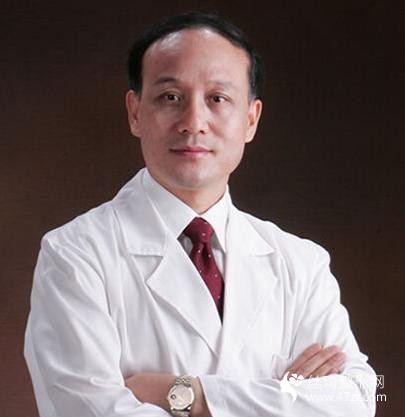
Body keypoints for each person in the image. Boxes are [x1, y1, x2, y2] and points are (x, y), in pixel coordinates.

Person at [24, 11, 376, 417]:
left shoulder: (301, 264)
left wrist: (188, 395)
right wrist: (284, 397)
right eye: (170, 97)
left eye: (217, 99)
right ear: (135, 112)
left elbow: (357, 399)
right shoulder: (74, 255)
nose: (193, 123)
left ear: (250, 119)